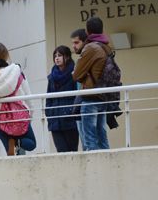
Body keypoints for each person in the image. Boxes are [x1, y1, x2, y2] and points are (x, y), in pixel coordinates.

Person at [71, 17, 112, 150]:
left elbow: (76, 75)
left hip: (90, 97)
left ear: (88, 32)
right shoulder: (105, 46)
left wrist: (82, 74)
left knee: (89, 140)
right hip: (103, 96)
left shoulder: (91, 48)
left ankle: (94, 168)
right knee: (102, 137)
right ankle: (107, 166)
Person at [45, 45, 80, 152]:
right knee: (61, 151)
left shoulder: (75, 73)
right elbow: (48, 97)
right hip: (55, 120)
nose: (57, 58)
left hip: (70, 118)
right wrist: (49, 113)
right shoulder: (52, 77)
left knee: (72, 151)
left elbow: (77, 94)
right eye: (55, 56)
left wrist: (72, 111)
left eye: (60, 55)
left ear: (67, 57)